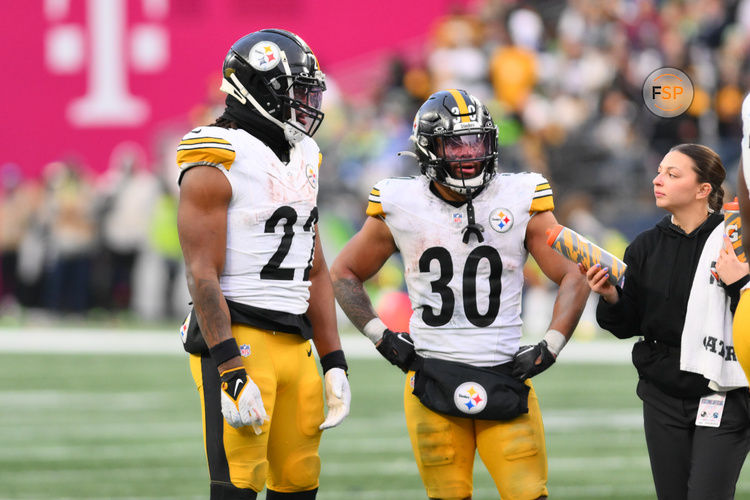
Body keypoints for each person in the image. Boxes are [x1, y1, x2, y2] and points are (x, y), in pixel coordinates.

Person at [330, 89, 589, 500]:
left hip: (505, 370)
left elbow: (575, 273)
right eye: (456, 144)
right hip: (430, 374)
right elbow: (343, 273)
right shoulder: (401, 201)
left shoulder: (520, 196)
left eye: (477, 142)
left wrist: (550, 346)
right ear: (428, 148)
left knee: (528, 494)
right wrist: (381, 336)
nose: (470, 154)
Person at [176, 29, 350, 500]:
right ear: (261, 91)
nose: (309, 104)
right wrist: (230, 366)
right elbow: (202, 274)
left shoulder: (306, 153)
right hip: (241, 334)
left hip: (297, 342)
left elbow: (313, 265)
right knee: (238, 484)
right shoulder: (217, 153)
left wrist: (334, 359)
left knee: (299, 481)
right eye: (298, 93)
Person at [583, 144, 750, 500]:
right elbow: (629, 324)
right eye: (660, 171)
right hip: (662, 393)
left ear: (704, 189)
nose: (658, 180)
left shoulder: (736, 241)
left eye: (673, 175)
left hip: (722, 390)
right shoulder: (644, 246)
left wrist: (740, 282)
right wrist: (611, 296)